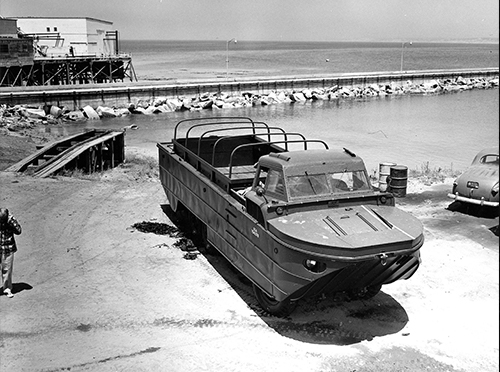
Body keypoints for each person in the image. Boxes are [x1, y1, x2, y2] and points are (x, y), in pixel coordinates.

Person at [0, 208, 22, 298]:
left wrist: (11, 222)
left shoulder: (11, 221)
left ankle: (7, 288)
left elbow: (19, 231)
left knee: (7, 269)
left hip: (7, 248)